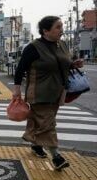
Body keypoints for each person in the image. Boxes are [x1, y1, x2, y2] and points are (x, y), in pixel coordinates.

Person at [12, 16, 84, 170]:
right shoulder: (33, 47)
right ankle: (57, 157)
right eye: (58, 27)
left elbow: (61, 64)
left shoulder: (62, 45)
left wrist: (72, 65)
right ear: (45, 30)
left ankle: (36, 144)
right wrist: (16, 90)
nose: (61, 30)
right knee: (48, 124)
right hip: (39, 93)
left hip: (58, 92)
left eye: (62, 26)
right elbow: (20, 69)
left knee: (43, 121)